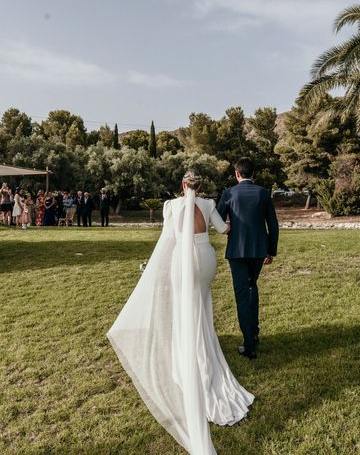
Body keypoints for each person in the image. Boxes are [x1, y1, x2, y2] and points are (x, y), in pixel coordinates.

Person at [107, 170, 253, 455]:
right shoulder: (209, 204)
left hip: (183, 261)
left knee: (184, 310)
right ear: (199, 187)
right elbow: (224, 230)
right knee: (201, 307)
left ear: (183, 185)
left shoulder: (171, 206)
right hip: (206, 259)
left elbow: (168, 240)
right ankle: (205, 354)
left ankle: (188, 360)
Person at [217, 157, 279, 360]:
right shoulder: (263, 193)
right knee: (252, 287)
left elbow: (217, 220)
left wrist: (227, 229)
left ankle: (249, 344)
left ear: (237, 174)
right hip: (259, 251)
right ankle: (254, 331)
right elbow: (273, 225)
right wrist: (271, 251)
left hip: (236, 252)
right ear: (254, 174)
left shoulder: (229, 193)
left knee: (242, 294)